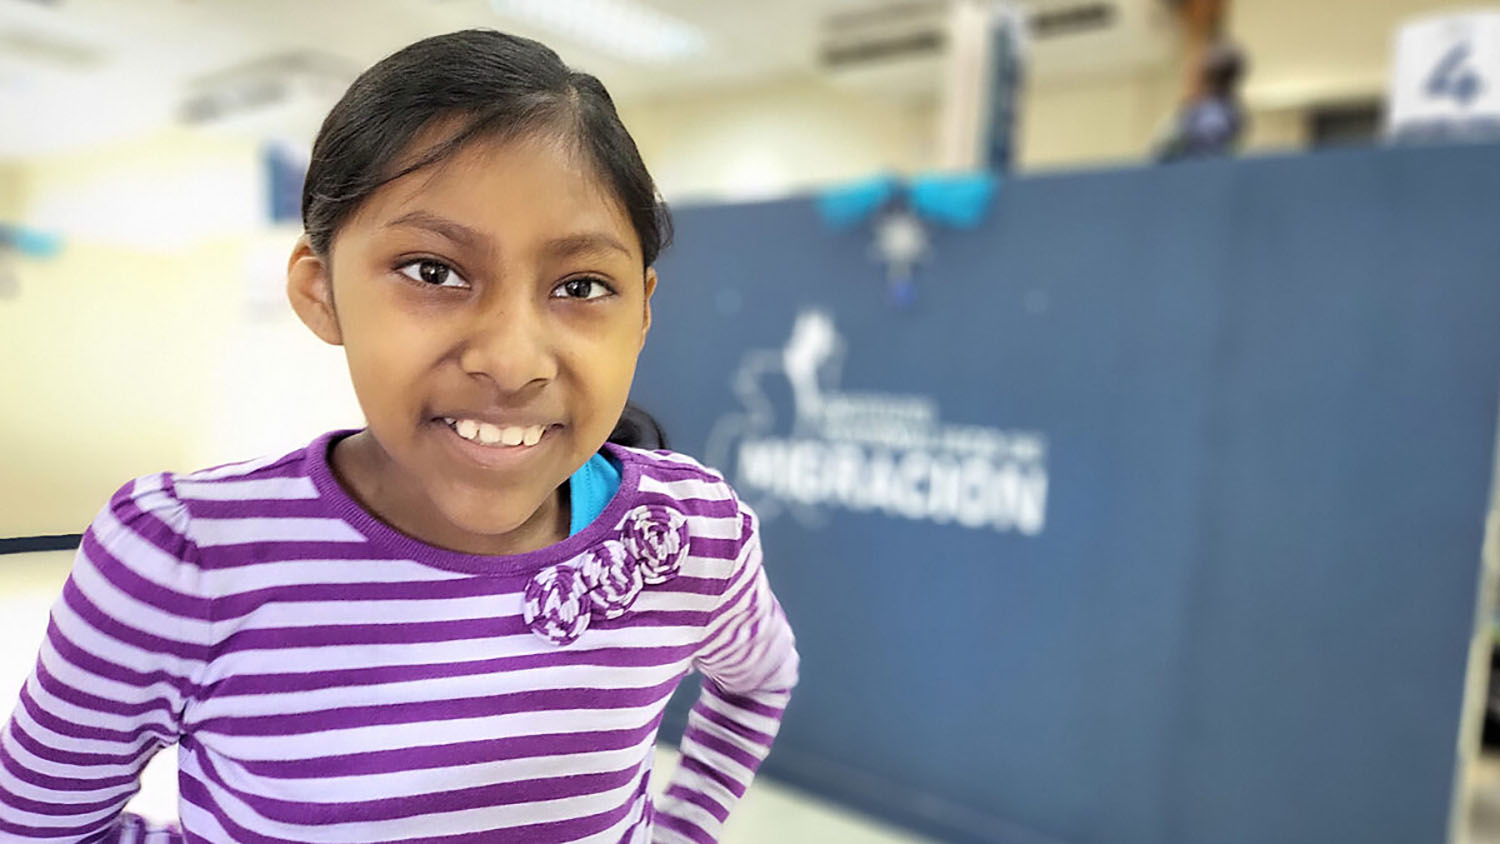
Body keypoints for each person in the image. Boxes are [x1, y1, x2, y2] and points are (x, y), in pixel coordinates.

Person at [0, 29, 797, 843]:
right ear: (322, 291)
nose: (512, 362)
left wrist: (683, 830)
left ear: (643, 311)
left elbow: (759, 681)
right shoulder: (184, 561)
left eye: (582, 285)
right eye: (433, 271)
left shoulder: (692, 533)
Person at [1155, 41, 1248, 162]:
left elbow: (1208, 157)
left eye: (1193, 73)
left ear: (1205, 78)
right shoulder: (1202, 110)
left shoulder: (1213, 115)